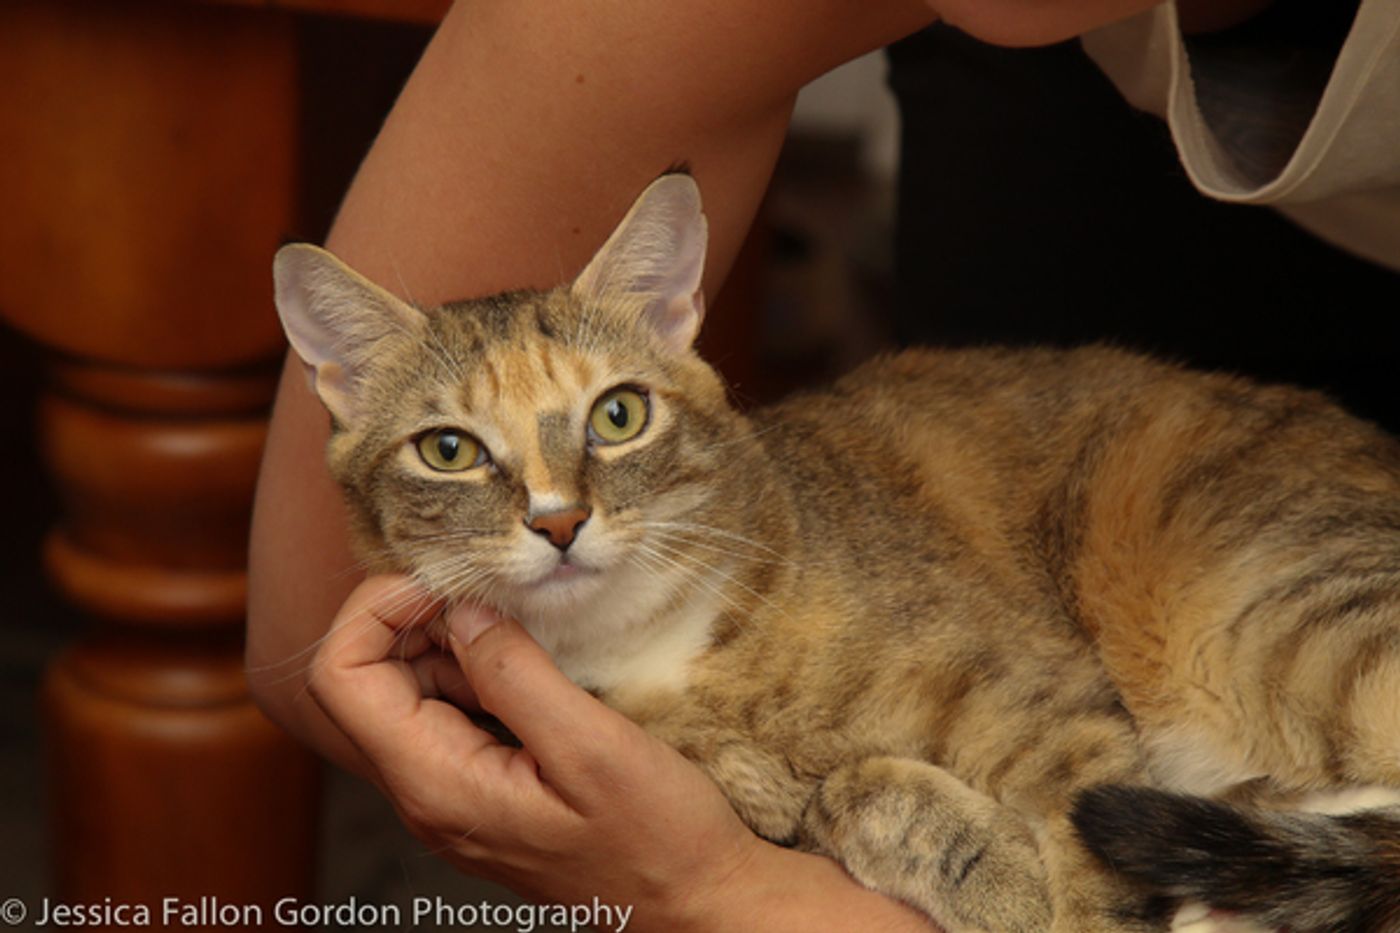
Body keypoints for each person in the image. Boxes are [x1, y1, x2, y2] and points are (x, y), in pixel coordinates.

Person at [247, 0, 1399, 929]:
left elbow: (1065, 750)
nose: (551, 507)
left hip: (1192, 523)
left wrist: (727, 893)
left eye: (605, 427)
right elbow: (298, 642)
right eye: (455, 451)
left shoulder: (821, 598)